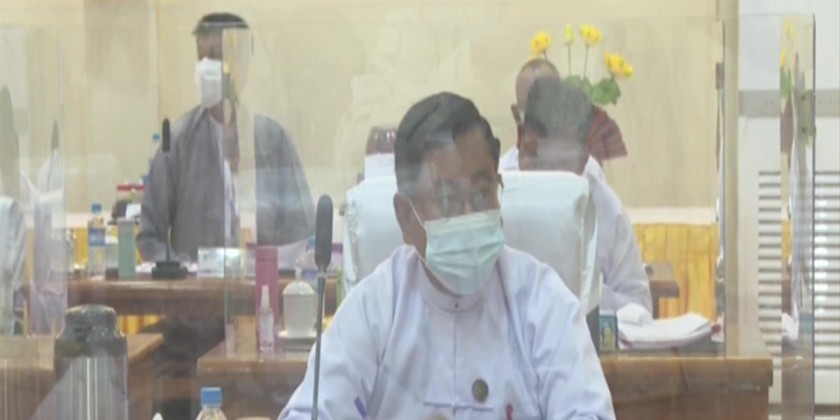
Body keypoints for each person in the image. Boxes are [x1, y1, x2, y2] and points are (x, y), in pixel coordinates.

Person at [280, 92, 615, 419]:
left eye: (482, 192)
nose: (470, 213)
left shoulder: (543, 303)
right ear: (406, 218)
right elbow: (310, 412)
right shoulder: (376, 307)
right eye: (447, 199)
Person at [138, 12, 315, 265]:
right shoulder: (179, 142)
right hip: (195, 286)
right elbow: (149, 236)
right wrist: (180, 271)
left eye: (216, 56)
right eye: (201, 57)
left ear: (241, 65)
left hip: (262, 283)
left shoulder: (274, 141)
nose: (205, 67)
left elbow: (301, 233)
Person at [520, 76, 652, 313]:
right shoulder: (494, 196)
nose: (552, 175)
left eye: (565, 162)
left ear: (583, 157)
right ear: (523, 143)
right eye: (538, 159)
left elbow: (639, 305)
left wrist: (589, 292)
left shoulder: (605, 208)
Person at [499, 58, 625, 177]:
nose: (540, 113)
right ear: (516, 115)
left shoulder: (588, 169)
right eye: (530, 106)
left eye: (549, 102)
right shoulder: (503, 172)